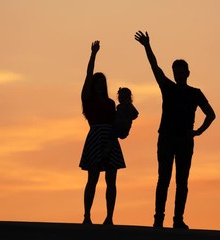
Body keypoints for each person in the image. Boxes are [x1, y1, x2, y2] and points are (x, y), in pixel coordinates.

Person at [135, 31, 216, 229]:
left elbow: (211, 114)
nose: (179, 75)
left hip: (184, 140)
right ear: (174, 73)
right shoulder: (167, 87)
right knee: (163, 179)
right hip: (166, 138)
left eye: (182, 72)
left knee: (182, 181)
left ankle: (178, 219)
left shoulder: (196, 93)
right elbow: (155, 67)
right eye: (176, 72)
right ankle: (158, 219)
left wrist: (197, 132)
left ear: (188, 73)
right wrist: (147, 46)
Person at [79, 40, 126, 225]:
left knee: (111, 180)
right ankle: (87, 216)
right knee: (92, 179)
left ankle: (109, 217)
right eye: (97, 82)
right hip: (95, 137)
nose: (99, 85)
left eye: (102, 82)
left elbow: (117, 122)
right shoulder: (87, 99)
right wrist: (93, 55)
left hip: (110, 137)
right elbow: (88, 74)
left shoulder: (110, 103)